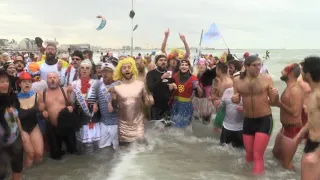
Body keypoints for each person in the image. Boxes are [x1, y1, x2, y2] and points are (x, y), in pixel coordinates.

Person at [232, 55, 279, 175]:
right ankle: (244, 175)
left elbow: (273, 103)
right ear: (246, 66)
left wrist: (275, 95)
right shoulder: (237, 80)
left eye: (260, 65)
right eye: (255, 65)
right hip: (248, 120)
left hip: (264, 119)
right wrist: (234, 99)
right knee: (248, 153)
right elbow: (236, 100)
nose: (259, 67)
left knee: (258, 155)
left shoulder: (267, 79)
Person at [110, 57, 154, 147]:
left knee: (140, 153)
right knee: (124, 156)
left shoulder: (140, 84)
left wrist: (150, 100)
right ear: (120, 71)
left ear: (133, 69)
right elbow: (114, 108)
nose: (127, 69)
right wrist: (113, 98)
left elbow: (146, 102)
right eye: (124, 68)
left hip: (138, 126)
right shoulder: (116, 88)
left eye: (129, 67)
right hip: (123, 127)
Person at [272, 63, 304, 170]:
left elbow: (295, 113)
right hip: (284, 128)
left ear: (290, 73)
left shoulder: (295, 90)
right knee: (275, 155)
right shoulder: (289, 87)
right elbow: (282, 105)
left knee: (286, 165)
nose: (281, 72)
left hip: (293, 129)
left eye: (284, 70)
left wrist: (279, 103)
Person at [294, 56, 320, 180]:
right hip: (311, 141)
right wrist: (300, 133)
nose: (301, 73)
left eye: (302, 71)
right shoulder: (312, 92)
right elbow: (314, 119)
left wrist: (317, 152)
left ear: (308, 74)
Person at [40, 72, 76, 160]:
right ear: (46, 80)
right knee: (55, 156)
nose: (52, 80)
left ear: (58, 79)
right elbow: (40, 109)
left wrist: (71, 107)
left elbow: (72, 104)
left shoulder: (65, 89)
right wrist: (43, 112)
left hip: (67, 125)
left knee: (73, 152)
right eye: (50, 78)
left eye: (54, 77)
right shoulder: (42, 94)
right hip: (52, 127)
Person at [72, 60, 100, 154]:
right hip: (81, 117)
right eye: (82, 68)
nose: (84, 70)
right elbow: (71, 101)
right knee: (83, 147)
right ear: (79, 70)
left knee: (95, 146)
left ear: (91, 71)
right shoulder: (74, 84)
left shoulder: (96, 82)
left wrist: (96, 102)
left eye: (87, 68)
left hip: (93, 117)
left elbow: (100, 97)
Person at [0, 69, 24, 180]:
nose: (5, 84)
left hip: (14, 137)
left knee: (18, 168)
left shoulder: (13, 97)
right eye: (1, 82)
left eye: (6, 81)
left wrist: (23, 135)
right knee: (2, 173)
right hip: (1, 141)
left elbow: (17, 118)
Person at [17, 72, 44, 168]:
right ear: (20, 84)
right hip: (21, 128)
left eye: (29, 82)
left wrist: (43, 111)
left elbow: (41, 110)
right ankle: (25, 175)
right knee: (30, 154)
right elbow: (15, 118)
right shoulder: (15, 99)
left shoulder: (37, 96)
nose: (27, 84)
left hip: (34, 126)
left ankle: (36, 175)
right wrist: (21, 132)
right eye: (24, 82)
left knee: (39, 155)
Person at [169, 60, 203, 128]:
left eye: (186, 65)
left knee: (183, 126)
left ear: (189, 67)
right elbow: (169, 90)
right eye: (182, 64)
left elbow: (200, 94)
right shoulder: (175, 76)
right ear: (179, 67)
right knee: (173, 124)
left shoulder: (194, 78)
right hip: (175, 104)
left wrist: (198, 87)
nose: (184, 66)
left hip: (186, 105)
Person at [97, 62, 119, 149]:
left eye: (108, 71)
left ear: (113, 73)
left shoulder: (119, 84)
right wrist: (95, 103)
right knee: (102, 148)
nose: (105, 73)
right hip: (103, 122)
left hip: (116, 122)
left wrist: (113, 98)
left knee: (116, 149)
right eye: (103, 71)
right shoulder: (97, 84)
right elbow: (94, 98)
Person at [147, 53, 173, 121]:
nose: (163, 62)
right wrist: (161, 78)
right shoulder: (151, 73)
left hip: (167, 106)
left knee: (168, 129)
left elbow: (170, 89)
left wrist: (172, 88)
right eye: (161, 60)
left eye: (165, 60)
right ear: (156, 62)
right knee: (155, 129)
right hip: (156, 106)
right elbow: (151, 88)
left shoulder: (169, 73)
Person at [212, 63, 233, 130]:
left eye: (216, 69)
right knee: (216, 128)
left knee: (216, 129)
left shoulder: (227, 83)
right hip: (222, 110)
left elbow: (228, 100)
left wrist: (214, 98)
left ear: (219, 70)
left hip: (225, 111)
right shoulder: (221, 81)